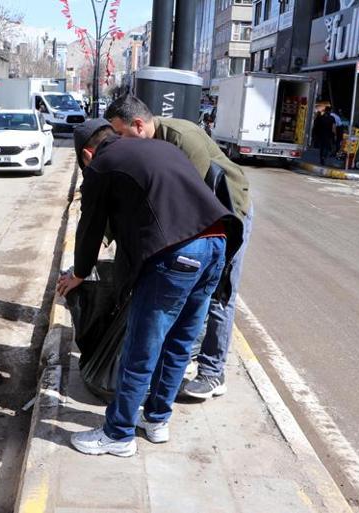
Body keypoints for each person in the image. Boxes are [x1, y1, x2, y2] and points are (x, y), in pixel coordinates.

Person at [58, 119, 241, 456]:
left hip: (177, 255)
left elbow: (90, 227)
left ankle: (118, 435)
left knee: (141, 346)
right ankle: (156, 420)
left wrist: (80, 274)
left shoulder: (101, 165)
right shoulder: (160, 147)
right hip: (218, 244)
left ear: (87, 154)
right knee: (179, 342)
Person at [104, 95, 252, 399]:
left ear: (139, 125)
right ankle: (179, 361)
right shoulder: (149, 145)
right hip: (200, 219)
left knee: (218, 292)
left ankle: (212, 372)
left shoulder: (184, 140)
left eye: (120, 134)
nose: (119, 141)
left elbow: (187, 203)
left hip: (228, 213)